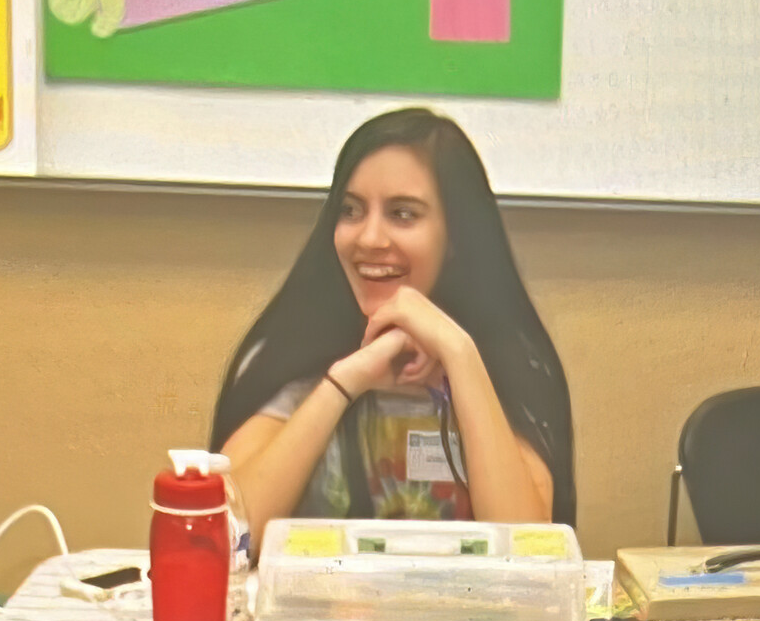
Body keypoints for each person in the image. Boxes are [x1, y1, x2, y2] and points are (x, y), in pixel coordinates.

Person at [211, 107, 574, 538]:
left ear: (456, 236)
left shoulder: (510, 364)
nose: (368, 238)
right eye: (350, 210)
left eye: (403, 214)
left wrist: (457, 351)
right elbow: (228, 534)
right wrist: (346, 381)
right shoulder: (299, 351)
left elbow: (526, 548)